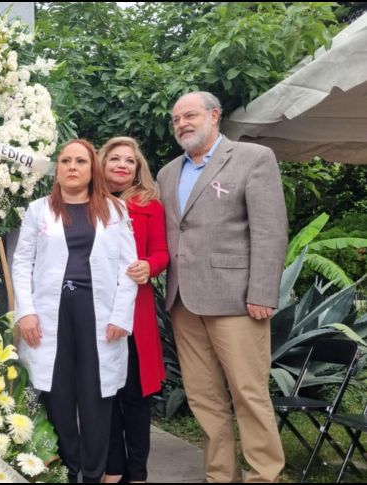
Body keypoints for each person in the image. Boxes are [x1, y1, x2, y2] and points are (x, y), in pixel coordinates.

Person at [157, 92, 288, 482]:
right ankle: (220, 475)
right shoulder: (167, 174)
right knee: (203, 398)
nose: (182, 123)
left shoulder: (253, 159)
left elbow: (270, 231)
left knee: (248, 394)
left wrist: (262, 292)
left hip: (237, 301)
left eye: (190, 115)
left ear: (215, 116)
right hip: (183, 303)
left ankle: (264, 475)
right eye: (176, 119)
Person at [12, 139, 138, 483]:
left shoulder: (114, 210)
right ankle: (69, 467)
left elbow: (129, 268)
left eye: (80, 161)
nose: (72, 166)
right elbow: (22, 261)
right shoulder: (39, 209)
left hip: (98, 315)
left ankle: (94, 475)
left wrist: (120, 317)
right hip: (51, 315)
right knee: (58, 395)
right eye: (65, 160)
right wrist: (25, 311)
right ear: (57, 169)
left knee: (97, 397)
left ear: (91, 168)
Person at [99, 136, 169, 483]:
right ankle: (112, 470)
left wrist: (149, 266)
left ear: (138, 169)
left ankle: (138, 473)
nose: (122, 165)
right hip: (96, 310)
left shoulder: (149, 205)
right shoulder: (87, 202)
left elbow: (161, 252)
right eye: (115, 159)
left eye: (130, 160)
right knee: (105, 396)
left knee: (136, 396)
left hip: (135, 313)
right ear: (103, 163)